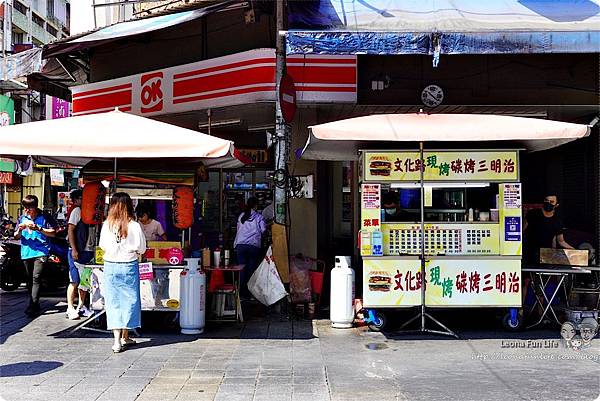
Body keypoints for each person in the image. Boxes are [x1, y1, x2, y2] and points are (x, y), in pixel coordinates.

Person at [99, 192, 147, 353]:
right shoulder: (134, 225)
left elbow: (102, 246)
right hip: (129, 265)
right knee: (129, 300)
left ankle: (117, 340)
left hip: (110, 265)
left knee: (113, 302)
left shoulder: (107, 224)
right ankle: (124, 337)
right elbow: (141, 248)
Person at [14, 195, 56, 317]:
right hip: (26, 251)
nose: (27, 210)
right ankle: (35, 303)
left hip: (41, 251)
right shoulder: (22, 218)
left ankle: (32, 305)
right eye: (25, 207)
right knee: (29, 279)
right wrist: (20, 230)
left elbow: (53, 233)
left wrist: (38, 228)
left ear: (35, 207)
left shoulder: (44, 217)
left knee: (36, 277)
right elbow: (16, 235)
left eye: (29, 208)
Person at [66, 189, 95, 320]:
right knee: (74, 281)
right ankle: (70, 307)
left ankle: (82, 306)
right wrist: (74, 249)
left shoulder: (93, 212)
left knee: (85, 282)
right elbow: (71, 229)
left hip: (89, 251)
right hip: (78, 250)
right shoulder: (77, 211)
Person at [524, 194, 574, 262]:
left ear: (556, 205)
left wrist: (573, 249)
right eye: (546, 201)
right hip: (528, 251)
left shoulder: (557, 221)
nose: (548, 203)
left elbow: (561, 241)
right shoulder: (533, 214)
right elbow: (522, 230)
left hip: (545, 254)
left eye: (551, 202)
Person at [234, 197, 266, 299]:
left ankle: (242, 294)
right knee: (252, 270)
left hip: (241, 246)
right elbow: (264, 230)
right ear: (255, 205)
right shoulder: (259, 217)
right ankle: (251, 293)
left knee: (242, 269)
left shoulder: (241, 216)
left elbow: (238, 231)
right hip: (253, 246)